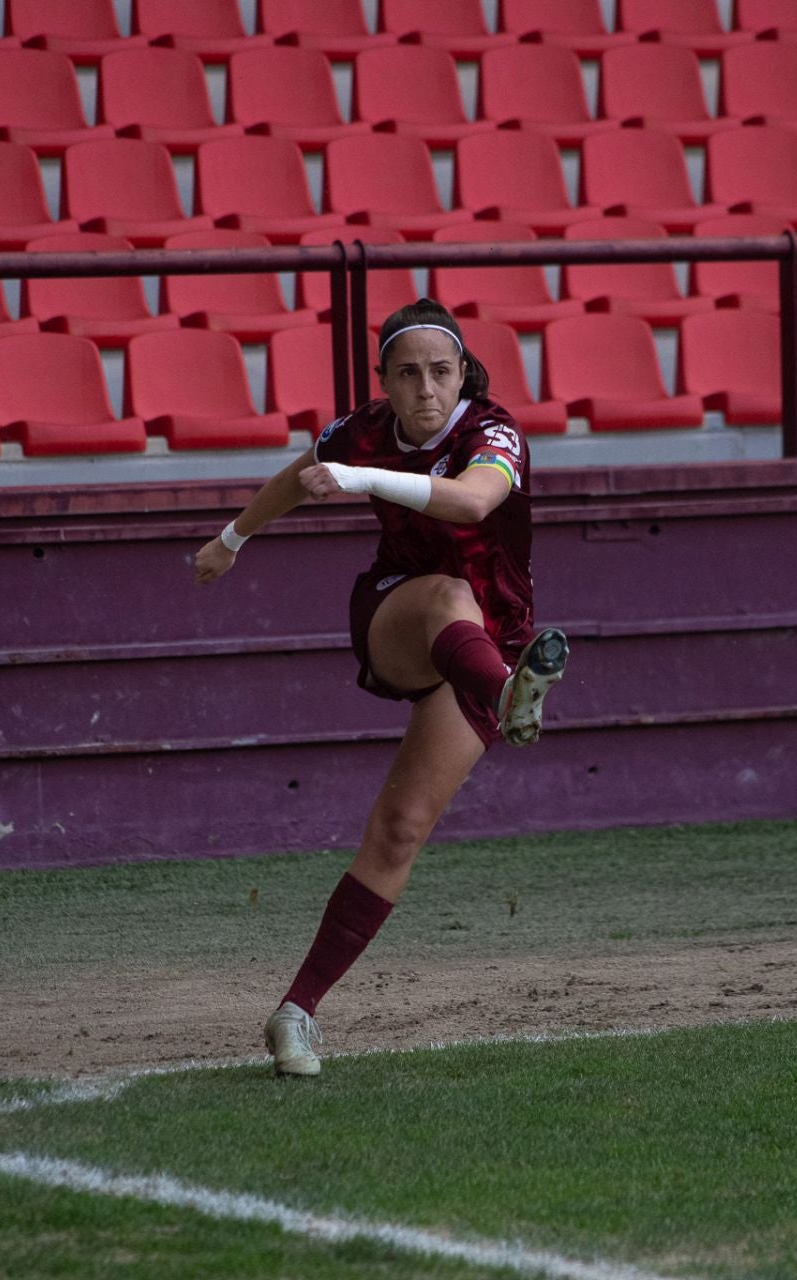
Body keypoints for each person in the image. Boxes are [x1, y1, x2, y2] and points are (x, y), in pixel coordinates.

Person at [194, 297, 570, 1077]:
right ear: (384, 382)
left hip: (488, 646)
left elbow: (472, 499)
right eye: (408, 375)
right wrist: (232, 539)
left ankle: (294, 1013)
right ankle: (510, 696)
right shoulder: (361, 430)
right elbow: (300, 478)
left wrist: (358, 477)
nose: (426, 389)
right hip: (400, 612)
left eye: (441, 371)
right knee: (443, 595)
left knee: (399, 830)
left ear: (463, 372)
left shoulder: (492, 433)